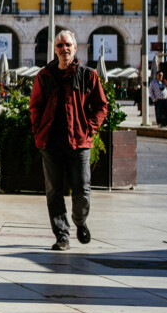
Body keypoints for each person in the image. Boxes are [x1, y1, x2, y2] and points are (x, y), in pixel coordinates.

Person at [29, 30, 108, 251]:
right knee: (54, 191)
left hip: (80, 142)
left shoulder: (88, 75)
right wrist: (38, 132)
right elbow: (35, 107)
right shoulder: (44, 76)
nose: (64, 49)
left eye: (68, 45)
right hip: (51, 143)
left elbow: (101, 107)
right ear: (55, 49)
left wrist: (89, 129)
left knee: (82, 189)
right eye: (60, 45)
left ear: (75, 48)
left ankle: (80, 221)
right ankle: (62, 235)